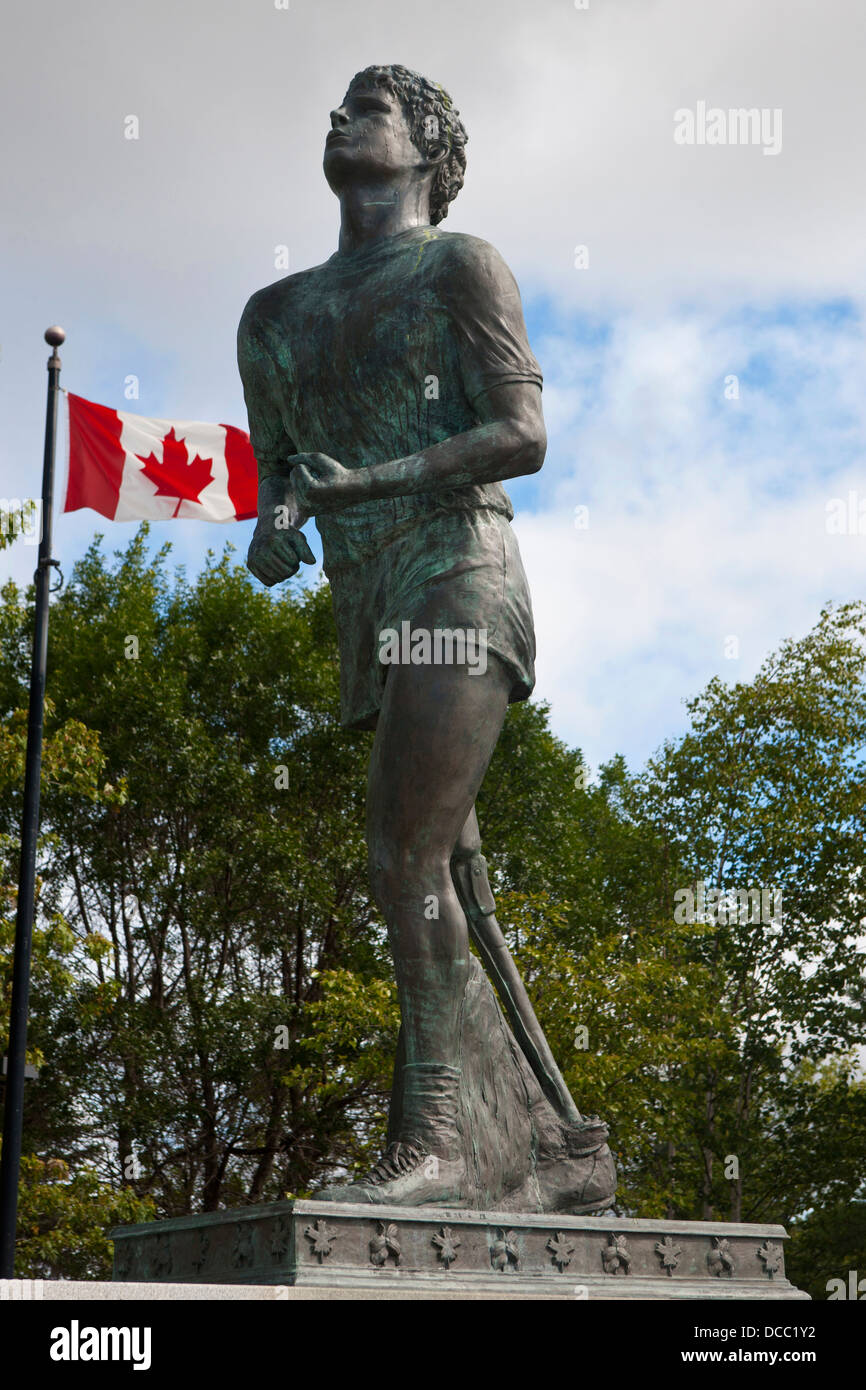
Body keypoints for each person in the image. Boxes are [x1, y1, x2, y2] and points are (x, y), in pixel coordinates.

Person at [238, 63, 589, 1206]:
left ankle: (432, 1142)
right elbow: (280, 479)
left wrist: (371, 480)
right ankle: (558, 1149)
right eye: (338, 108)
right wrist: (277, 528)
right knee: (456, 886)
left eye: (370, 108)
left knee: (405, 858)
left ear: (430, 147)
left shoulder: (460, 265)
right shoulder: (274, 316)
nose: (339, 120)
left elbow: (521, 432)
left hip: (457, 573)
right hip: (369, 603)